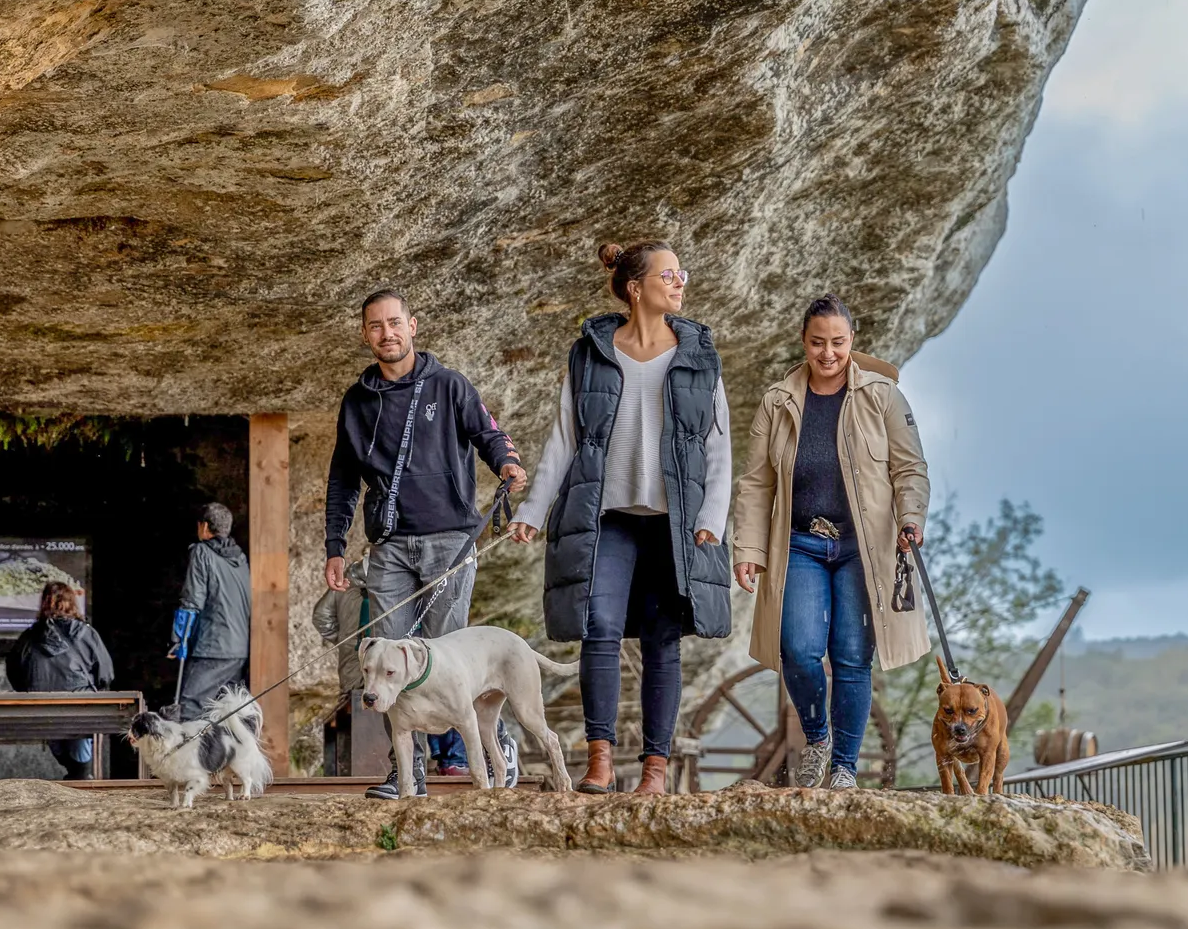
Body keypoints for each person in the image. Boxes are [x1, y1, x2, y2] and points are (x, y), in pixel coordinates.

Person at [511, 241, 732, 796]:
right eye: (669, 274)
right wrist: (533, 511)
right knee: (599, 629)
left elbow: (717, 444)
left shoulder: (700, 353)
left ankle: (655, 771)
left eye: (682, 273)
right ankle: (600, 760)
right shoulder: (590, 351)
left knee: (662, 639)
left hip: (673, 519)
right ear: (636, 288)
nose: (680, 281)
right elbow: (566, 436)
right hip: (607, 514)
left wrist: (712, 517)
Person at [324, 289, 529, 799]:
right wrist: (334, 545)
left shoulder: (449, 385)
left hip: (449, 542)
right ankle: (406, 772)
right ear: (365, 333)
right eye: (376, 326)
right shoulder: (356, 402)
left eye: (395, 323)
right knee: (388, 666)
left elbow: (488, 432)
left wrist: (506, 461)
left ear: (413, 326)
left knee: (448, 656)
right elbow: (343, 481)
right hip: (390, 546)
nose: (387, 333)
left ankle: (483, 750)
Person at [731, 295, 930, 789]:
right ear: (804, 341)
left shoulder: (882, 396)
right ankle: (817, 736)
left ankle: (844, 765)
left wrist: (911, 516)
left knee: (850, 656)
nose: (828, 353)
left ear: (851, 342)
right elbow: (756, 483)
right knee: (797, 649)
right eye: (818, 342)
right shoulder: (779, 402)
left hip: (864, 549)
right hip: (800, 543)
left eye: (837, 343)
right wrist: (750, 550)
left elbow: (910, 468)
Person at [310, 559, 519, 785]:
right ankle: (447, 762)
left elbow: (321, 617)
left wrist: (346, 644)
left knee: (441, 699)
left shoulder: (350, 579)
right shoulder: (407, 576)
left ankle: (451, 759)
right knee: (436, 699)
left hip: (373, 668)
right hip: (395, 666)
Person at [6, 581, 115, 780]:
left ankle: (76, 773)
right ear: (73, 602)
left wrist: (30, 691)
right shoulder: (86, 633)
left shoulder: (29, 637)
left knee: (57, 732)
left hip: (42, 707)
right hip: (82, 705)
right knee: (81, 731)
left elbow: (14, 670)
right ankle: (80, 774)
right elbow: (106, 673)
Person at [175, 501, 252, 719]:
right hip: (238, 649)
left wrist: (179, 640)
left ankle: (189, 752)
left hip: (214, 647)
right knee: (224, 712)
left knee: (190, 706)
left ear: (205, 527)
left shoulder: (201, 552)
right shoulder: (240, 558)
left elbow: (192, 601)